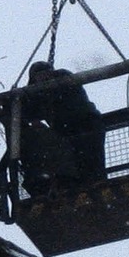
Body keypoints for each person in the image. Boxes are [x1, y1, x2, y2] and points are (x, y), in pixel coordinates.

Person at [20, 61, 106, 195]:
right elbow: (27, 109)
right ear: (34, 78)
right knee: (78, 162)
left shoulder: (63, 78)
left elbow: (62, 91)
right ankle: (86, 187)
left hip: (87, 125)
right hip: (69, 131)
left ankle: (97, 188)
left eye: (46, 74)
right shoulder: (39, 94)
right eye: (39, 76)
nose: (44, 78)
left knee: (91, 160)